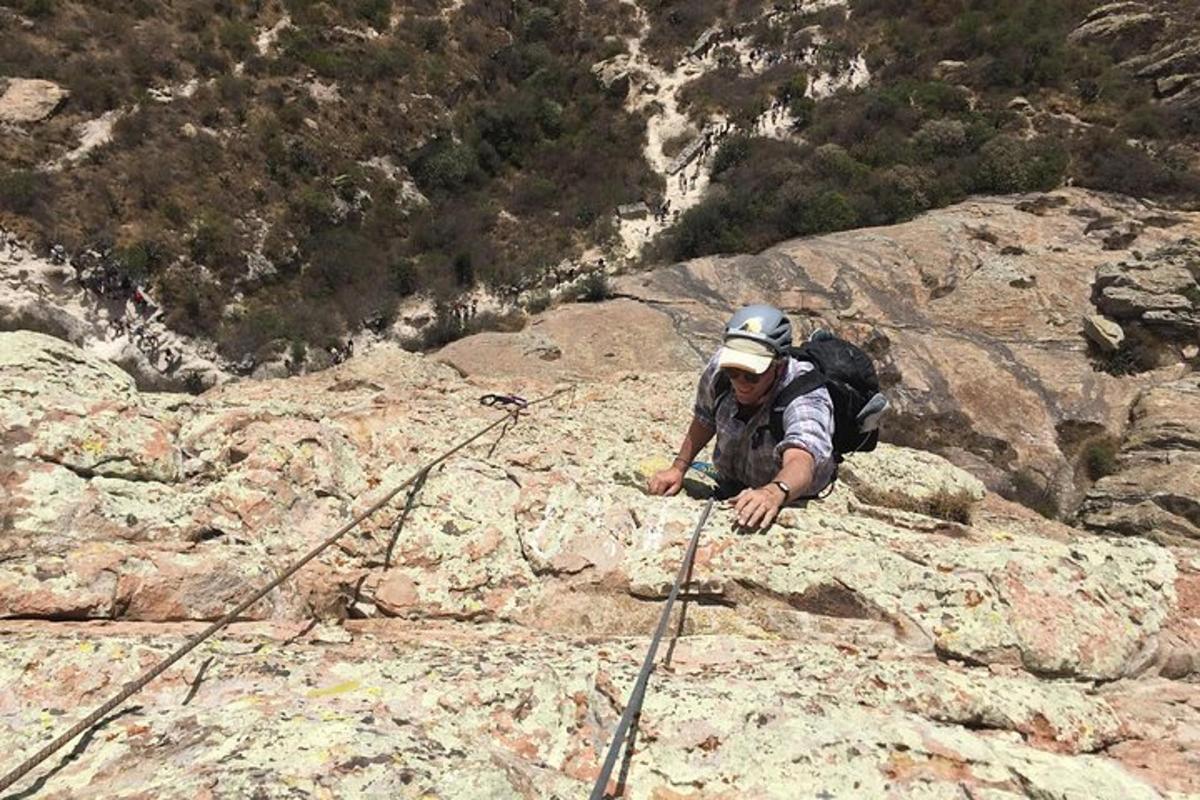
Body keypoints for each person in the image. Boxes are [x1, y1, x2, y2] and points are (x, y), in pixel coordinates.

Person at [648, 304, 835, 530]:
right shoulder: (720, 367)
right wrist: (678, 468)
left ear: (779, 364)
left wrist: (774, 492)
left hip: (787, 493)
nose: (740, 383)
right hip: (733, 481)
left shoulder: (804, 394)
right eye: (733, 372)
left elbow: (802, 458)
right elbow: (704, 417)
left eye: (752, 375)